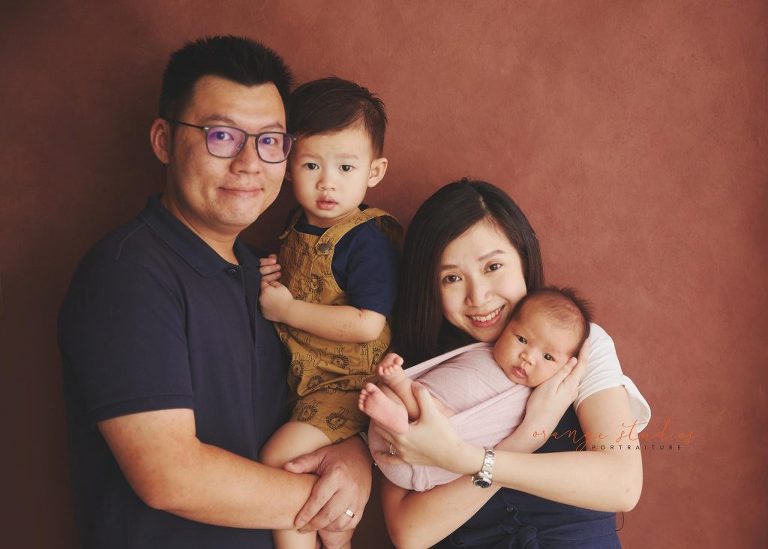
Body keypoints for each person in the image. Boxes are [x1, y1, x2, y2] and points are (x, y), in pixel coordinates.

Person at [58, 36, 372, 549]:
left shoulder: (267, 277)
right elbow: (170, 475)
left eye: (270, 141)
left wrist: (354, 455)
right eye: (222, 136)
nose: (250, 163)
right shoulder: (128, 274)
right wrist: (331, 500)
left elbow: (307, 405)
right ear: (163, 140)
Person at [373, 179, 651, 548]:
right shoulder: (410, 373)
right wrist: (523, 439)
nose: (479, 297)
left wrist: (463, 458)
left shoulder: (578, 345)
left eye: (493, 267)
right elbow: (411, 533)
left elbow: (622, 483)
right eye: (452, 278)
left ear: (523, 257)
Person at [256, 77, 400, 548]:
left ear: (373, 172)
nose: (327, 183)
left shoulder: (366, 240)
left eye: (345, 166)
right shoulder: (294, 225)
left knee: (281, 457)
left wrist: (289, 309)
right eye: (311, 164)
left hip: (351, 386)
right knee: (320, 490)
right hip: (307, 382)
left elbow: (367, 324)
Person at [359, 287, 592, 492]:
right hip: (386, 432)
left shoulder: (526, 399)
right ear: (507, 325)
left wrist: (402, 383)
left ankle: (399, 407)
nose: (528, 357)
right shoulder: (482, 349)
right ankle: (397, 402)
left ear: (567, 368)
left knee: (437, 412)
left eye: (548, 356)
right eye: (522, 339)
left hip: (424, 458)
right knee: (396, 392)